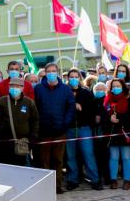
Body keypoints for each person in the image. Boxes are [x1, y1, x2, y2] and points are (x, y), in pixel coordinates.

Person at [33, 63, 76, 194]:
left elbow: (71, 107)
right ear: (45, 73)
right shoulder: (38, 89)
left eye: (54, 71)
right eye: (49, 71)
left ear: (57, 72)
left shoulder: (65, 89)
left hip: (60, 131)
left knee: (58, 160)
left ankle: (57, 185)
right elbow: (34, 108)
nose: (51, 73)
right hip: (44, 131)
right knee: (44, 160)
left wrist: (65, 123)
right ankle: (46, 186)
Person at [64, 69, 102, 190]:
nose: (74, 79)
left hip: (84, 128)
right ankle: (72, 180)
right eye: (71, 77)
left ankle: (95, 179)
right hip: (69, 129)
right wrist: (72, 105)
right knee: (71, 156)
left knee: (88, 154)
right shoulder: (64, 92)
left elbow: (93, 110)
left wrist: (82, 108)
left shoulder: (86, 92)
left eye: (76, 77)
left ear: (80, 78)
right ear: (68, 78)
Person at [101, 78, 130, 189]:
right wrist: (109, 118)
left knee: (126, 157)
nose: (115, 88)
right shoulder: (107, 99)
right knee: (114, 157)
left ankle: (127, 180)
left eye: (118, 86)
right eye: (113, 86)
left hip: (125, 131)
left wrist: (119, 119)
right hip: (112, 132)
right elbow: (103, 115)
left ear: (123, 87)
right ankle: (113, 180)